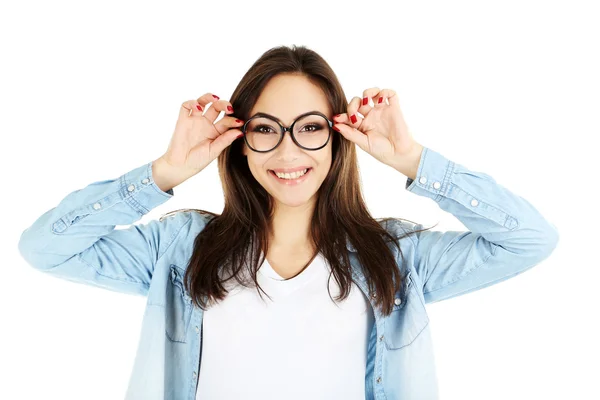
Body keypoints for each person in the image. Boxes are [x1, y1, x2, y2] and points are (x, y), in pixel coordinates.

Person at [18, 44, 559, 400]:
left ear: (338, 136)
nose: (287, 150)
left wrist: (411, 158)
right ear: (240, 140)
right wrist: (163, 173)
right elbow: (45, 247)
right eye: (266, 128)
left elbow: (529, 239)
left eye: (310, 127)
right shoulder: (181, 249)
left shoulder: (395, 257)